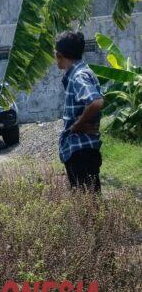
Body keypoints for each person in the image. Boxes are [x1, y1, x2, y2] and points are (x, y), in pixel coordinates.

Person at [54, 31, 104, 192]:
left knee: (88, 206)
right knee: (86, 204)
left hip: (81, 152)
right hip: (81, 151)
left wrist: (77, 125)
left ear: (60, 55)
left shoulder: (79, 76)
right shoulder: (80, 72)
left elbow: (96, 102)